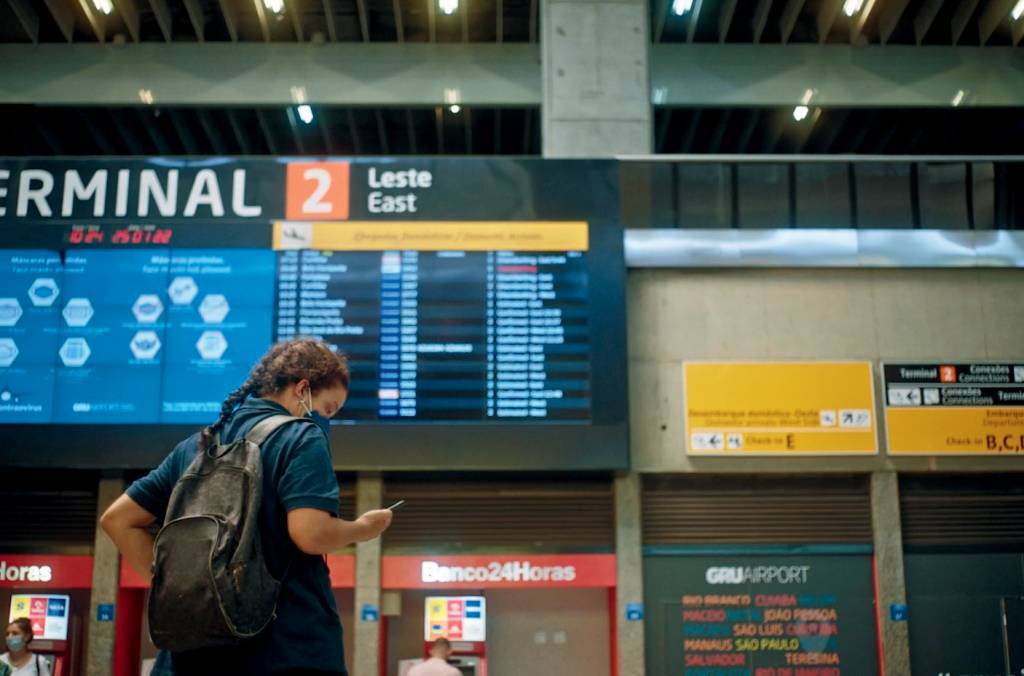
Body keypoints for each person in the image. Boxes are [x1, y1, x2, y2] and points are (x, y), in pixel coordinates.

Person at [100, 338, 394, 676]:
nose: (326, 420)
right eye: (328, 409)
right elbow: (310, 534)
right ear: (302, 389)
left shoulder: (196, 446)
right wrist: (364, 528)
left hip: (189, 652)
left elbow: (117, 520)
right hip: (286, 647)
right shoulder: (301, 437)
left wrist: (178, 586)